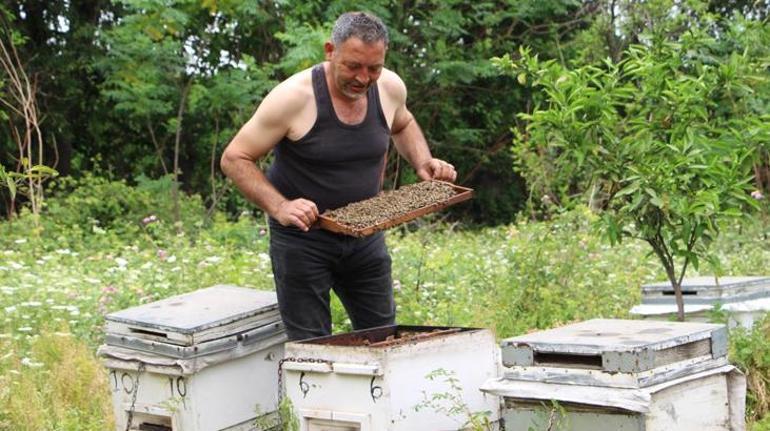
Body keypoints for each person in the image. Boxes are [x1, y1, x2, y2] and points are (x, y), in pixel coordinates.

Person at [220, 11, 457, 341]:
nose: (363, 78)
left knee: (382, 337)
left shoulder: (389, 87)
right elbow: (235, 158)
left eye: (374, 68)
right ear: (330, 51)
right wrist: (280, 207)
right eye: (353, 66)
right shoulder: (293, 98)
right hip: (303, 240)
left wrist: (423, 160)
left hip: (365, 233)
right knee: (312, 345)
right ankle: (317, 395)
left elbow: (402, 123)